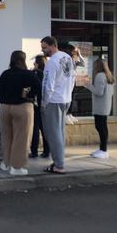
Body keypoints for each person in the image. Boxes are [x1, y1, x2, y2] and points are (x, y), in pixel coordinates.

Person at [0, 51, 41, 176]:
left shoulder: (4, 74)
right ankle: (16, 167)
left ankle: (6, 163)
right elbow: (38, 87)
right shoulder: (28, 74)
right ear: (23, 60)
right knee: (21, 138)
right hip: (22, 107)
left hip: (5, 107)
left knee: (6, 136)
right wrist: (29, 96)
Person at [40, 36, 76, 175]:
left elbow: (48, 85)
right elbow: (73, 78)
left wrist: (44, 102)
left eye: (44, 47)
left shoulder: (52, 62)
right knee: (60, 132)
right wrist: (68, 94)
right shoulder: (67, 58)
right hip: (65, 99)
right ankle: (58, 162)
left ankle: (59, 164)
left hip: (54, 101)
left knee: (53, 133)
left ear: (52, 45)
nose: (43, 50)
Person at [84, 59, 115, 159]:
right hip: (105, 105)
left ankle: (103, 150)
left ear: (97, 66)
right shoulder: (109, 75)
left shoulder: (100, 76)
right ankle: (102, 149)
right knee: (103, 128)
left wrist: (88, 85)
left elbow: (98, 92)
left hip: (100, 107)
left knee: (100, 128)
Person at [30, 55, 50, 158]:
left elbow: (33, 89)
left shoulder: (36, 73)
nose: (34, 65)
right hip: (46, 104)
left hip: (37, 104)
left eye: (34, 63)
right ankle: (47, 151)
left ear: (38, 63)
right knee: (44, 128)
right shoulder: (47, 74)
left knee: (35, 128)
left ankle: (34, 151)